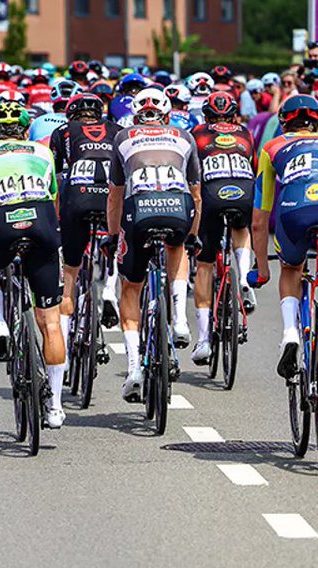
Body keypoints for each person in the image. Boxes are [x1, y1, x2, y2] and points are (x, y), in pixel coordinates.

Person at [0, 100, 68, 428]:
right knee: (51, 322)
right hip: (42, 224)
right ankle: (55, 406)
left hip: (0, 223)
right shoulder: (43, 152)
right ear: (26, 130)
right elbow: (54, 203)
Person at [102, 88, 202, 402]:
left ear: (135, 114)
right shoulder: (185, 136)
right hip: (178, 206)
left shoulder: (122, 138)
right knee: (178, 248)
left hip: (139, 212)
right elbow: (197, 195)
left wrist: (114, 236)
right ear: (167, 114)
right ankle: (181, 322)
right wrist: (193, 236)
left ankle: (134, 368)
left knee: (131, 288)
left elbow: (115, 197)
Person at [250, 95, 318, 377]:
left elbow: (259, 217)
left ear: (283, 124)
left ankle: (290, 332)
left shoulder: (272, 147)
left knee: (290, 268)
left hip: (293, 214)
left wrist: (262, 269)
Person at [189, 91, 257, 365]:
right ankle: (242, 279)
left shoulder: (197, 132)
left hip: (212, 194)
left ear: (207, 115)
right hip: (243, 190)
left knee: (204, 263)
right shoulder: (246, 133)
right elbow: (252, 166)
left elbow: (190, 174)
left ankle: (204, 339)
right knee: (241, 228)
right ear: (233, 115)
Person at [50, 93, 123, 342]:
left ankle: (65, 347)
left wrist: (56, 218)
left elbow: (57, 180)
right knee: (115, 243)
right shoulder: (118, 130)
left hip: (77, 195)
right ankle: (110, 291)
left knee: (70, 270)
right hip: (109, 197)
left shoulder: (62, 131)